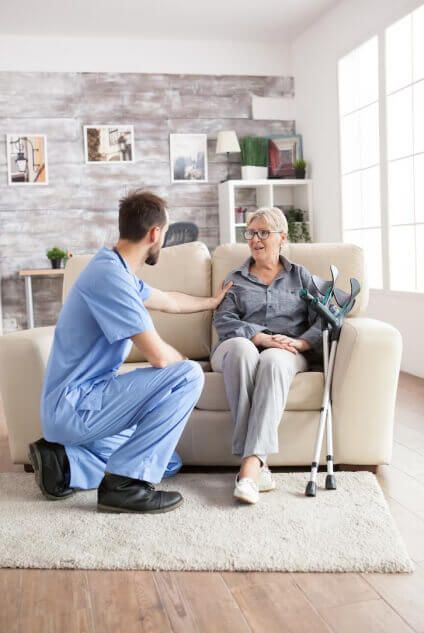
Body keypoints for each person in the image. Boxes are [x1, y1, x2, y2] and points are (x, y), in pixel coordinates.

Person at [30, 190, 231, 514]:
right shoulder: (110, 279)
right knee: (189, 374)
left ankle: (64, 462)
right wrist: (187, 364)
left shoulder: (116, 270)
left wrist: (211, 302)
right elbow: (160, 358)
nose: (162, 243)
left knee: (167, 463)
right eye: (164, 235)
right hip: (77, 405)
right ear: (154, 234)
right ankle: (123, 487)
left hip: (80, 406)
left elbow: (170, 301)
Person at [211, 207, 322, 505]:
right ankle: (256, 465)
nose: (255, 239)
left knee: (273, 360)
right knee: (242, 349)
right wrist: (258, 336)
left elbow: (328, 315)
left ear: (282, 237)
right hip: (238, 346)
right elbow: (223, 320)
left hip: (286, 350)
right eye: (250, 233)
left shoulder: (302, 278)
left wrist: (300, 344)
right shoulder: (236, 277)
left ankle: (249, 468)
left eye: (263, 233)